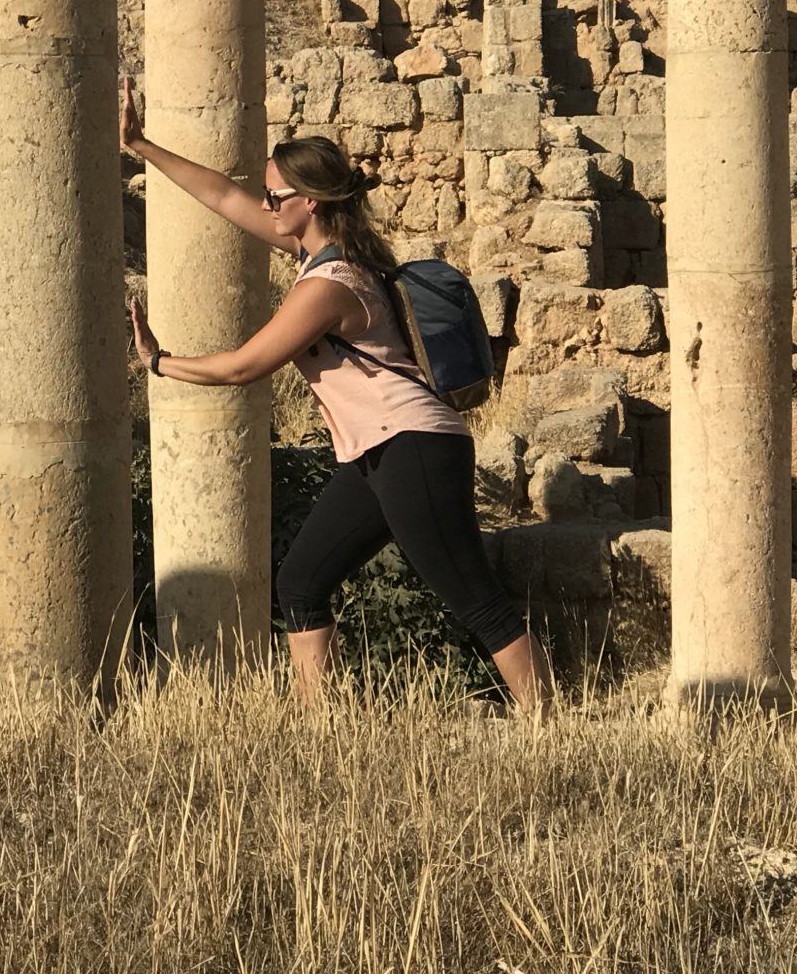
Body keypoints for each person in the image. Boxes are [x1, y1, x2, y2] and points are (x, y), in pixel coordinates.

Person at [122, 77, 550, 714]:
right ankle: (321, 728)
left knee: (473, 597)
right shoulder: (318, 252)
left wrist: (160, 362)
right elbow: (221, 195)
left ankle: (548, 721)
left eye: (276, 196)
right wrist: (140, 145)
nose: (265, 205)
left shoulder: (328, 285)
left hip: (413, 446)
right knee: (300, 583)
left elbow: (245, 367)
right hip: (373, 454)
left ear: (311, 203)